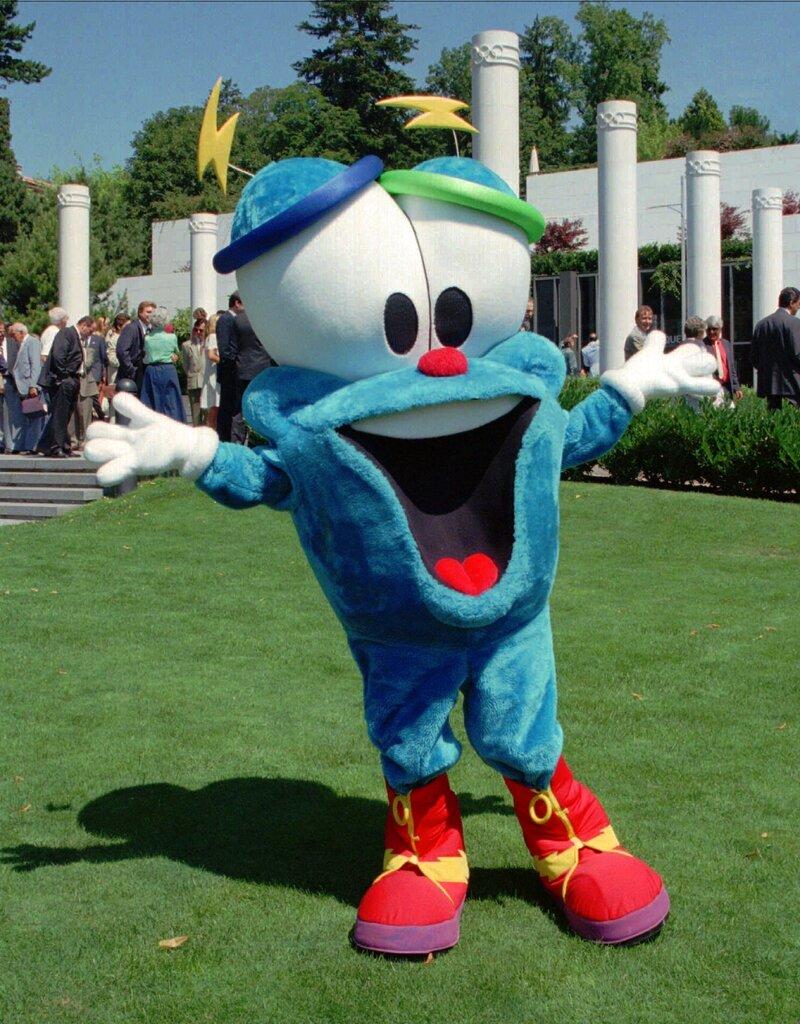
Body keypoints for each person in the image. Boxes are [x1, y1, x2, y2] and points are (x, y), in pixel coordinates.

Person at [37, 315, 94, 457]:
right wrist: (65, 376)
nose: (90, 335)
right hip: (64, 380)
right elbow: (58, 355)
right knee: (60, 414)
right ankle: (56, 446)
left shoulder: (76, 336)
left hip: (73, 378)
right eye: (90, 331)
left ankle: (61, 444)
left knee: (66, 414)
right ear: (84, 326)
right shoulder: (67, 333)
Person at [231, 300, 272, 444]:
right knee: (261, 407)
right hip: (262, 368)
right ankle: (258, 441)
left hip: (242, 368)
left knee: (240, 409)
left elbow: (233, 346)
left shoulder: (238, 319)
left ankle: (237, 442)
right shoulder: (264, 317)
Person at [751, 286, 800, 409]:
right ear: (791, 303)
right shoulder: (794, 323)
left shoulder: (761, 324)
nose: (799, 307)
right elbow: (798, 353)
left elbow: (754, 357)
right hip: (792, 386)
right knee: (791, 425)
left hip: (769, 387)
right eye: (798, 304)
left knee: (774, 425)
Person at [139, 307, 185, 423]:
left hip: (152, 369)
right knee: (172, 400)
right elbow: (176, 353)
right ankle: (174, 424)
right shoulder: (172, 337)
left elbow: (147, 356)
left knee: (151, 400)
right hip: (168, 369)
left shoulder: (148, 338)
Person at [9, 323, 46, 454]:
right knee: (29, 416)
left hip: (30, 386)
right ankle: (28, 444)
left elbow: (35, 365)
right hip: (22, 387)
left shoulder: (32, 342)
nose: (13, 338)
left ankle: (33, 446)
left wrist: (33, 385)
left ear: (21, 332)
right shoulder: (23, 344)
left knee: (34, 416)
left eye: (13, 335)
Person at [215, 292, 241, 441]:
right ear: (237, 303)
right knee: (227, 406)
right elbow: (224, 348)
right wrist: (235, 360)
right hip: (228, 371)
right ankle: (223, 438)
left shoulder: (233, 319)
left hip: (232, 370)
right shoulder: (226, 319)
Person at [77, 321, 109, 439]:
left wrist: (102, 375)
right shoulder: (78, 340)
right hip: (81, 376)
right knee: (82, 406)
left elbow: (103, 358)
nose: (91, 332)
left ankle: (99, 418)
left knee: (92, 403)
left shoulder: (98, 340)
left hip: (94, 375)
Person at [116, 300, 155, 391]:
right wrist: (132, 370)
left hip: (147, 374)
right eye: (148, 312)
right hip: (132, 377)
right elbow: (121, 351)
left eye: (153, 312)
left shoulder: (153, 329)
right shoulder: (131, 328)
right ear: (140, 312)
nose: (151, 315)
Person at [704, 316, 741, 403]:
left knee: (731, 413)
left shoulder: (726, 344)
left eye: (714, 329)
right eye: (708, 329)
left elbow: (731, 368)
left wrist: (736, 387)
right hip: (712, 389)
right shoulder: (702, 345)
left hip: (726, 388)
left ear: (720, 329)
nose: (711, 332)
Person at [181, 313, 207, 425]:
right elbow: (185, 365)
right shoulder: (187, 345)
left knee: (208, 414)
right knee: (196, 416)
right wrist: (192, 375)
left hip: (207, 383)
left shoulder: (211, 344)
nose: (198, 333)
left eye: (201, 330)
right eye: (196, 330)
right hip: (194, 382)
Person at [1, 318, 23, 452]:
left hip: (10, 381)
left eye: (2, 331)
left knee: (11, 414)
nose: (0, 334)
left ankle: (11, 444)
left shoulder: (12, 343)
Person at [201, 312, 221, 431]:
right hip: (214, 375)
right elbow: (211, 355)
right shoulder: (213, 337)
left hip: (211, 374)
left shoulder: (208, 337)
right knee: (214, 408)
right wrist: (223, 360)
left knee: (213, 408)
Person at [105, 313, 129, 387]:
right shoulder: (114, 338)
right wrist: (124, 364)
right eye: (127, 326)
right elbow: (111, 357)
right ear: (119, 326)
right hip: (115, 374)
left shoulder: (127, 336)